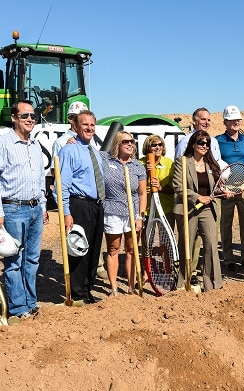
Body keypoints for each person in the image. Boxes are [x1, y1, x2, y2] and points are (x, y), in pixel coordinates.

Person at [0, 100, 49, 318]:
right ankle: (18, 307)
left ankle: (31, 302)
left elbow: (40, 179)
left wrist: (42, 206)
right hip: (13, 209)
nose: (30, 119)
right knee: (14, 261)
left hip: (34, 208)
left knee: (32, 259)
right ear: (14, 118)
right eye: (25, 116)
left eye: (33, 116)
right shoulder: (1, 144)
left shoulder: (35, 145)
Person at [57, 110, 105, 304]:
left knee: (93, 250)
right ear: (76, 126)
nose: (89, 128)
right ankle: (77, 294)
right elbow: (62, 185)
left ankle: (87, 289)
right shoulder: (69, 150)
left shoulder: (94, 150)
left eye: (92, 125)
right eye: (85, 125)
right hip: (79, 204)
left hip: (96, 205)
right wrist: (67, 212)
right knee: (79, 250)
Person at [175, 108, 221, 286]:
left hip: (207, 210)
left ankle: (211, 284)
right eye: (200, 143)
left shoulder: (211, 163)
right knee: (186, 246)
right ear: (193, 144)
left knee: (210, 245)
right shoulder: (183, 162)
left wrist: (223, 192)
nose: (204, 146)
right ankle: (181, 282)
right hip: (188, 208)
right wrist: (197, 197)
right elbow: (179, 187)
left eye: (207, 143)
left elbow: (215, 187)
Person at [101, 131, 147, 296]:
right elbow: (88, 149)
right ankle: (113, 288)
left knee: (131, 249)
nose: (130, 144)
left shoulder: (137, 166)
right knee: (113, 249)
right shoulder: (106, 159)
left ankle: (131, 287)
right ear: (117, 144)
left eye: (132, 142)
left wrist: (140, 216)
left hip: (133, 212)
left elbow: (142, 193)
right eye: (125, 141)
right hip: (112, 210)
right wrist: (71, 139)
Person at [216, 105, 244, 271]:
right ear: (225, 122)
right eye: (231, 120)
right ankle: (228, 259)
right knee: (226, 224)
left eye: (237, 119)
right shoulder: (218, 141)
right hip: (225, 187)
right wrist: (218, 182)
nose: (235, 122)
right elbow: (213, 161)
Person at [140, 134, 175, 230]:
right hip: (145, 208)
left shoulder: (169, 163)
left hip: (165, 207)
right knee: (147, 240)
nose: (158, 147)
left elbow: (174, 189)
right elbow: (134, 187)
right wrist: (145, 173)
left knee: (165, 240)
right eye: (154, 145)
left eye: (160, 145)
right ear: (148, 147)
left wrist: (160, 188)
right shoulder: (139, 163)